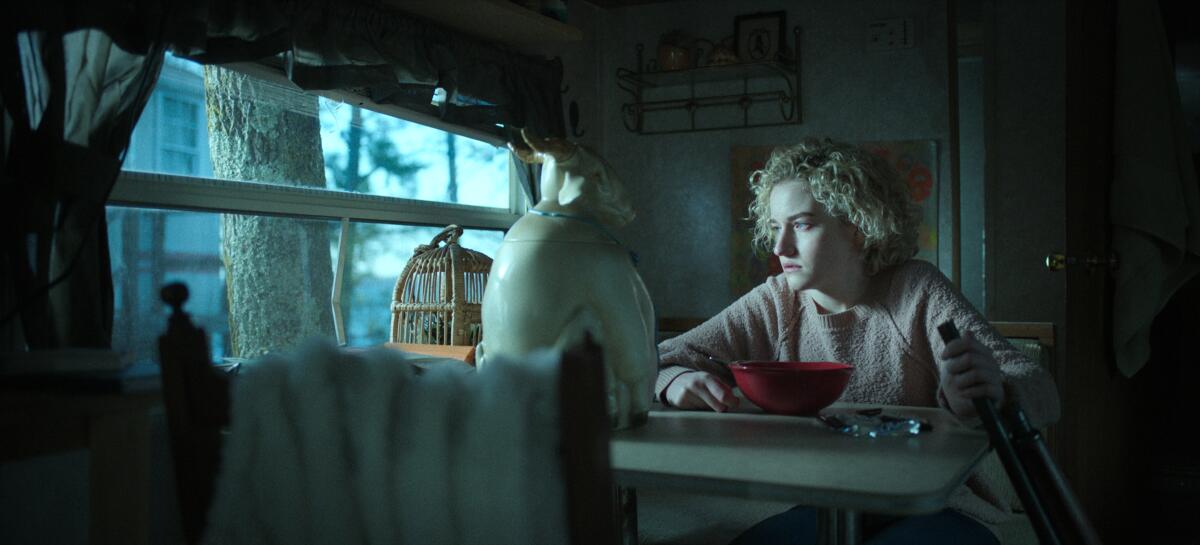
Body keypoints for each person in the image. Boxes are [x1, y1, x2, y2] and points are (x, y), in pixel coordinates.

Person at [655, 138, 1060, 545]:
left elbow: (1040, 386)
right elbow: (658, 359)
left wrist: (992, 391)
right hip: (822, 502)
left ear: (859, 227)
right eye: (776, 227)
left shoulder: (915, 289)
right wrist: (671, 379)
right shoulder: (776, 299)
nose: (779, 248)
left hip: (934, 504)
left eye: (802, 224)